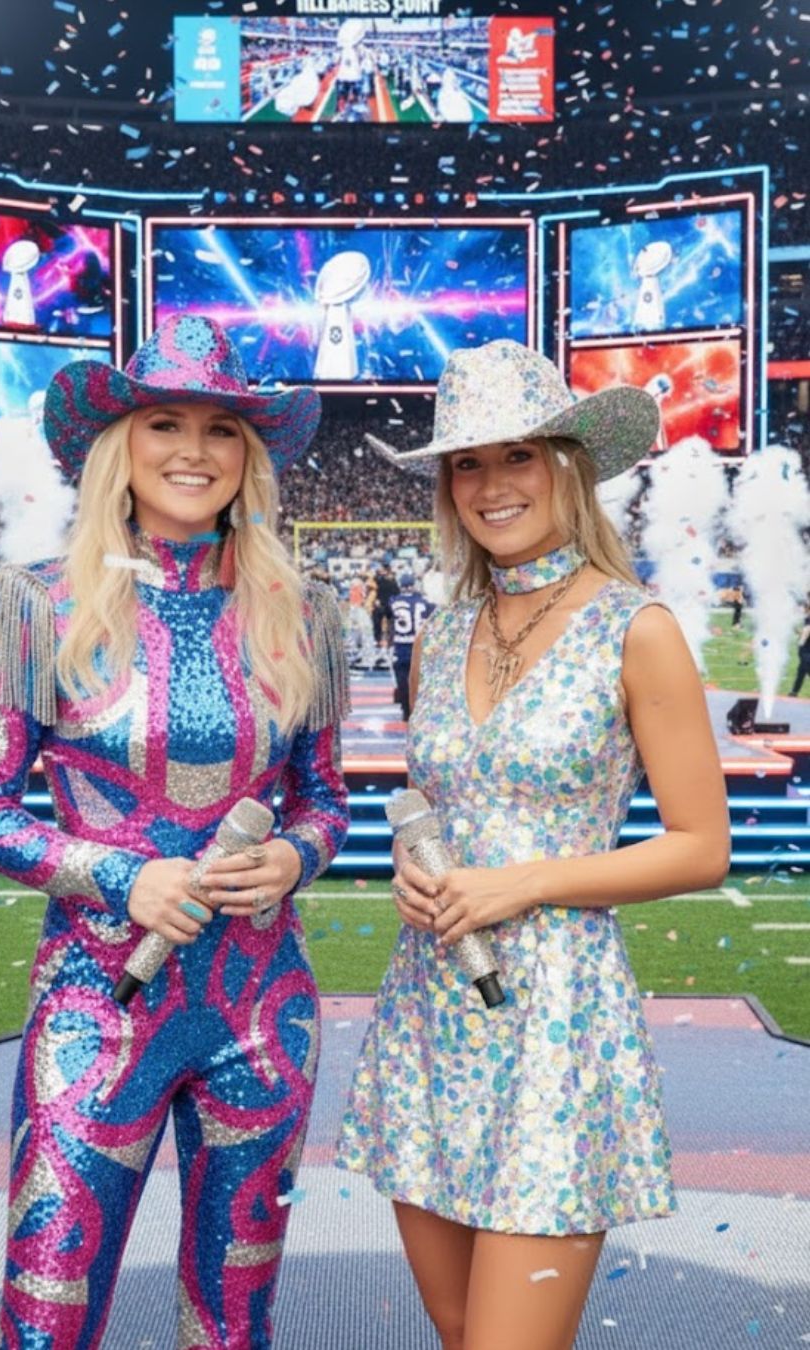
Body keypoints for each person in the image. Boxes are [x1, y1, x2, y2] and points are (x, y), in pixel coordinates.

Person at [0, 313, 350, 1350]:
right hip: (96, 1005)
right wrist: (120, 877)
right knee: (47, 1311)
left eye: (221, 430)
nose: (193, 451)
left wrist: (292, 856)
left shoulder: (304, 609)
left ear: (248, 456)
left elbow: (325, 800)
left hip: (263, 1012)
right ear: (118, 445)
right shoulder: (35, 602)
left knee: (232, 1322)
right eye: (165, 423)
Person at [337, 340, 730, 1350]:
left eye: (518, 455)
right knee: (458, 1327)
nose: (491, 484)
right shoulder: (439, 635)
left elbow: (701, 848)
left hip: (556, 1018)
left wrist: (523, 883)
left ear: (569, 465)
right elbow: (441, 809)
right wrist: (417, 875)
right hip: (430, 1010)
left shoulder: (637, 627)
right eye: (467, 463)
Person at [388, 570, 433, 721]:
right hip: (419, 645)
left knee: (402, 680)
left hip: (401, 645)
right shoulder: (424, 602)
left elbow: (387, 617)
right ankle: (418, 708)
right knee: (420, 679)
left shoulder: (394, 601)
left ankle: (406, 709)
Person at [790, 605, 810, 697]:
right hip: (805, 649)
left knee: (802, 670)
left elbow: (805, 633)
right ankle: (794, 691)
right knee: (804, 667)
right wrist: (797, 631)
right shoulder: (807, 619)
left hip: (805, 648)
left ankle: (794, 691)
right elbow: (805, 633)